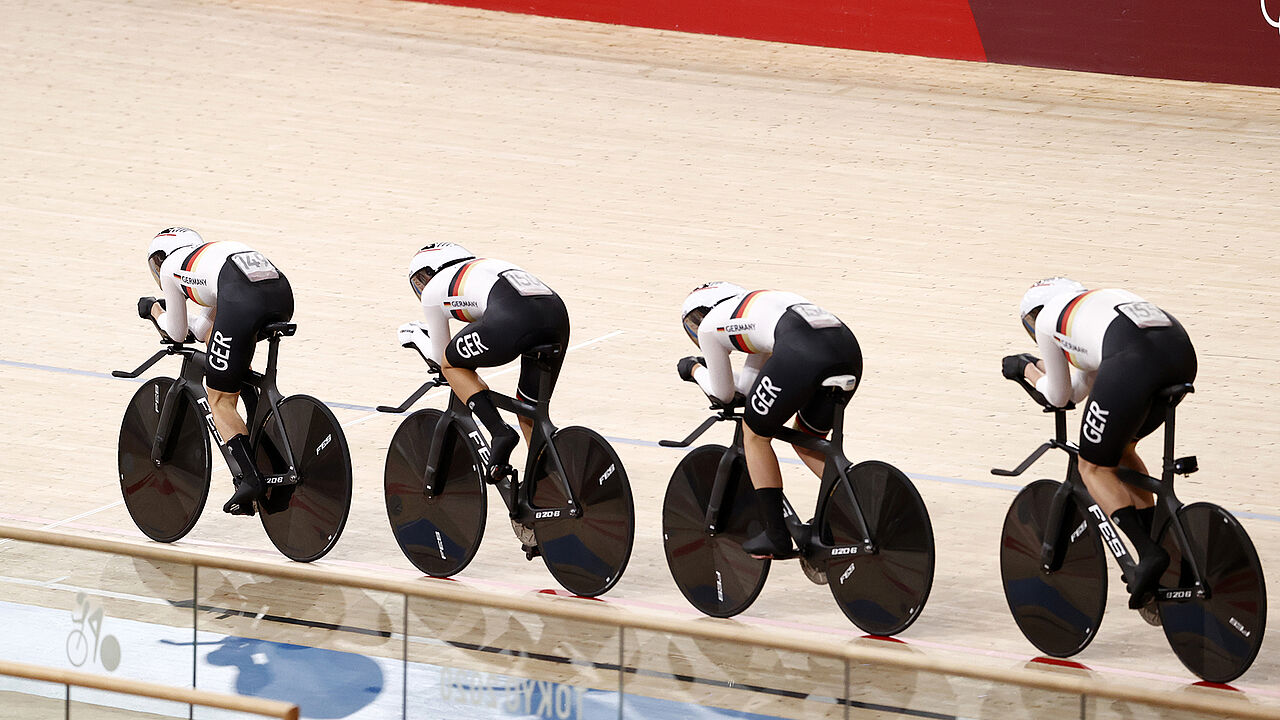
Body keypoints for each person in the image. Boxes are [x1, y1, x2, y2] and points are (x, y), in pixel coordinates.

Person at [1007, 277, 1197, 609]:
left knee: (1092, 465)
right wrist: (1042, 370)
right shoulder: (1094, 305)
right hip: (1179, 355)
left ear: (1036, 313)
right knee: (1119, 449)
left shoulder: (1049, 318)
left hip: (1133, 360)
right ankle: (1160, 543)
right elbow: (1080, 387)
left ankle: (1150, 554)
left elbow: (1059, 397)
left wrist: (1026, 369)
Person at [677, 282, 863, 559]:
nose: (696, 328)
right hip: (845, 348)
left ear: (705, 311)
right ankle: (867, 507)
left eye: (694, 321)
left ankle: (776, 535)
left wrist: (693, 369)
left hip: (803, 351)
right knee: (808, 441)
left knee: (754, 434)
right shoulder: (755, 307)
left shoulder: (709, 327)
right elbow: (751, 385)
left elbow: (724, 395)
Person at [139, 227, 295, 516]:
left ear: (162, 257)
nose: (158, 269)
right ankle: (261, 436)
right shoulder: (208, 257)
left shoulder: (172, 267)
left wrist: (154, 310)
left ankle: (251, 480)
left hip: (242, 299)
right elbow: (203, 329)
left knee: (219, 398)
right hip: (281, 296)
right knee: (229, 359)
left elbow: (176, 334)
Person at [403, 243, 570, 479]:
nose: (422, 287)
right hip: (556, 317)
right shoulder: (486, 264)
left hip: (512, 321)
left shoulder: (433, 291)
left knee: (452, 365)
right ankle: (550, 486)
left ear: (431, 271)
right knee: (530, 411)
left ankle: (500, 432)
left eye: (421, 280)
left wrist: (415, 336)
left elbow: (440, 358)